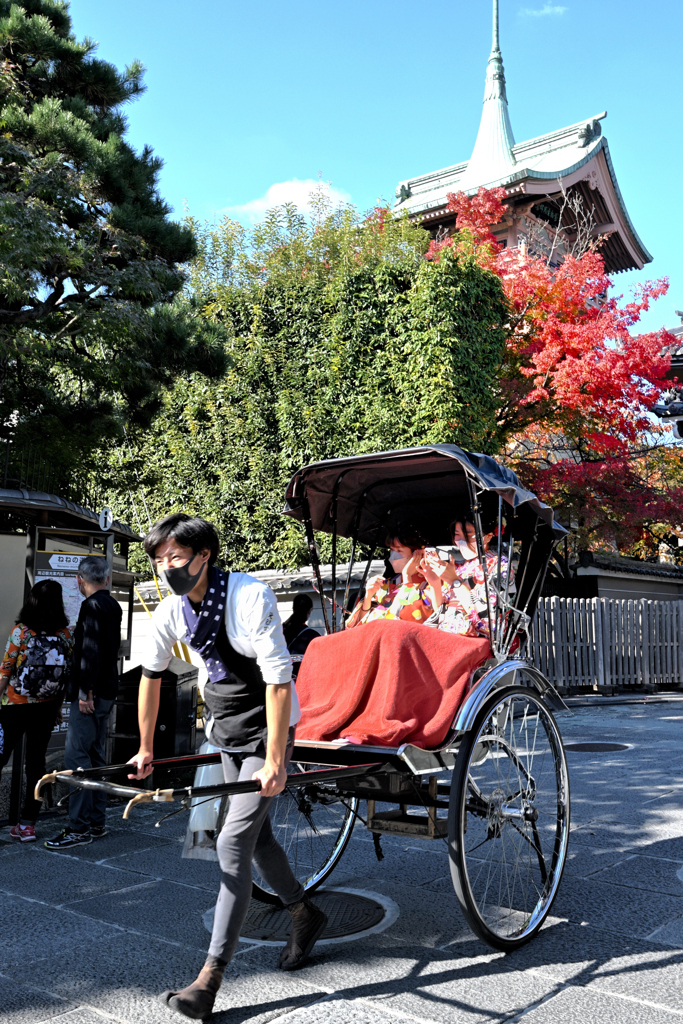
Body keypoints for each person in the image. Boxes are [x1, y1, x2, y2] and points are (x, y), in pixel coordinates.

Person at [127, 513, 327, 1021]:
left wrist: (279, 759)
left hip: (268, 727)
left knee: (232, 840)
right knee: (257, 839)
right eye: (159, 559)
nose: (166, 567)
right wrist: (146, 746)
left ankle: (210, 977)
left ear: (204, 556)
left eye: (175, 557)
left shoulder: (248, 597)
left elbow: (279, 681)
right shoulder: (173, 610)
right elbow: (151, 676)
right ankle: (304, 913)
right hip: (226, 730)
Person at [45, 555, 122, 850]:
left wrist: (83, 692)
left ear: (79, 580)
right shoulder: (113, 605)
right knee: (95, 755)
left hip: (90, 693)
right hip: (107, 690)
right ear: (107, 579)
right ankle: (96, 820)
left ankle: (78, 827)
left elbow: (90, 650)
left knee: (77, 758)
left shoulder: (90, 607)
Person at [0, 580, 73, 842]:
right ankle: (28, 825)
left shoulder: (21, 631)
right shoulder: (65, 634)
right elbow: (65, 674)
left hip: (13, 708)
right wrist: (56, 706)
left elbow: (6, 670)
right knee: (37, 765)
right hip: (45, 708)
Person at [421, 517, 513, 637]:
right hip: (447, 634)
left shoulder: (500, 566)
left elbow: (490, 622)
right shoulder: (462, 567)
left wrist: (455, 581)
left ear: (488, 536)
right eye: (457, 534)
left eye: (468, 534)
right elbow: (441, 610)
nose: (461, 540)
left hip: (472, 640)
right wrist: (435, 583)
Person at [345, 523, 433, 629]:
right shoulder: (386, 585)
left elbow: (408, 620)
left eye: (399, 550)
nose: (394, 555)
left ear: (418, 554)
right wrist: (368, 596)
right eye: (392, 550)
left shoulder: (431, 584)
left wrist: (407, 577)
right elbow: (357, 627)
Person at [282, 594, 320, 680]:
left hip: (281, 680)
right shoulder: (313, 636)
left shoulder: (279, 631)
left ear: (293, 609)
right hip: (301, 681)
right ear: (309, 611)